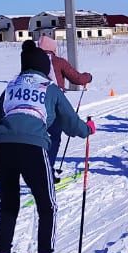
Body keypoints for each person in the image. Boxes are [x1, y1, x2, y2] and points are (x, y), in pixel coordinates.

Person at [0, 42, 94, 253]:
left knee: (8, 205)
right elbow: (70, 123)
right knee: (47, 206)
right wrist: (87, 130)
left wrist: (7, 135)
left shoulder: (11, 87)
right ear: (44, 67)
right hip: (33, 149)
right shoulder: (50, 88)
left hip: (3, 149)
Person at [36, 35, 93, 173]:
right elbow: (77, 78)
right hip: (54, 106)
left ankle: (40, 168)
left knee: (38, 137)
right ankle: (47, 170)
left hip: (34, 103)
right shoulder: (58, 61)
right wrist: (88, 77)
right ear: (52, 48)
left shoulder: (33, 62)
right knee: (54, 137)